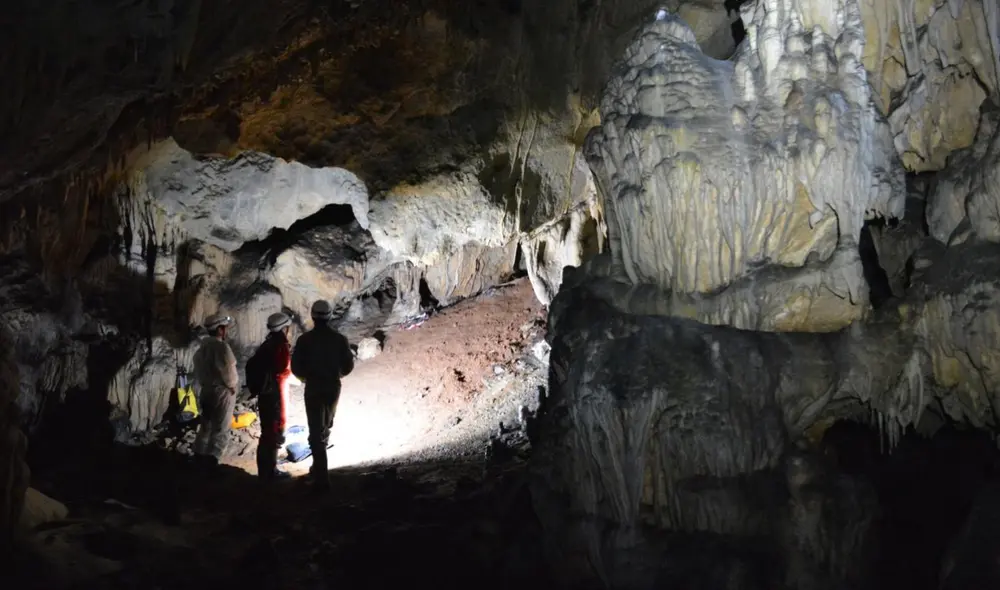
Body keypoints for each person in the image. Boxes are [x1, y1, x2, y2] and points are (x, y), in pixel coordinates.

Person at [291, 300, 354, 490]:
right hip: (333, 386)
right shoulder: (340, 339)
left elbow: (295, 368)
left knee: (315, 430)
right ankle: (318, 468)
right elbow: (348, 366)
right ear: (329, 315)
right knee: (326, 425)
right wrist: (337, 374)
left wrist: (305, 378)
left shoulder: (304, 340)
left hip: (314, 387)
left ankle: (321, 477)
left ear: (312, 316)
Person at [192, 312, 239, 466]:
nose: (226, 331)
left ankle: (198, 455)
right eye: (224, 328)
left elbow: (199, 372)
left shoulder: (201, 348)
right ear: (220, 330)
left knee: (206, 426)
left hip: (206, 391)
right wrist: (232, 386)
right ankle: (212, 462)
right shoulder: (221, 347)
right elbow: (228, 370)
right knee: (220, 429)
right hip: (222, 392)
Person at [252, 312, 293, 481]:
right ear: (284, 328)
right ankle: (269, 473)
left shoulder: (266, 345)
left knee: (267, 432)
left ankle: (266, 470)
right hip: (274, 393)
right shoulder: (280, 346)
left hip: (264, 393)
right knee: (273, 431)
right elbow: (282, 371)